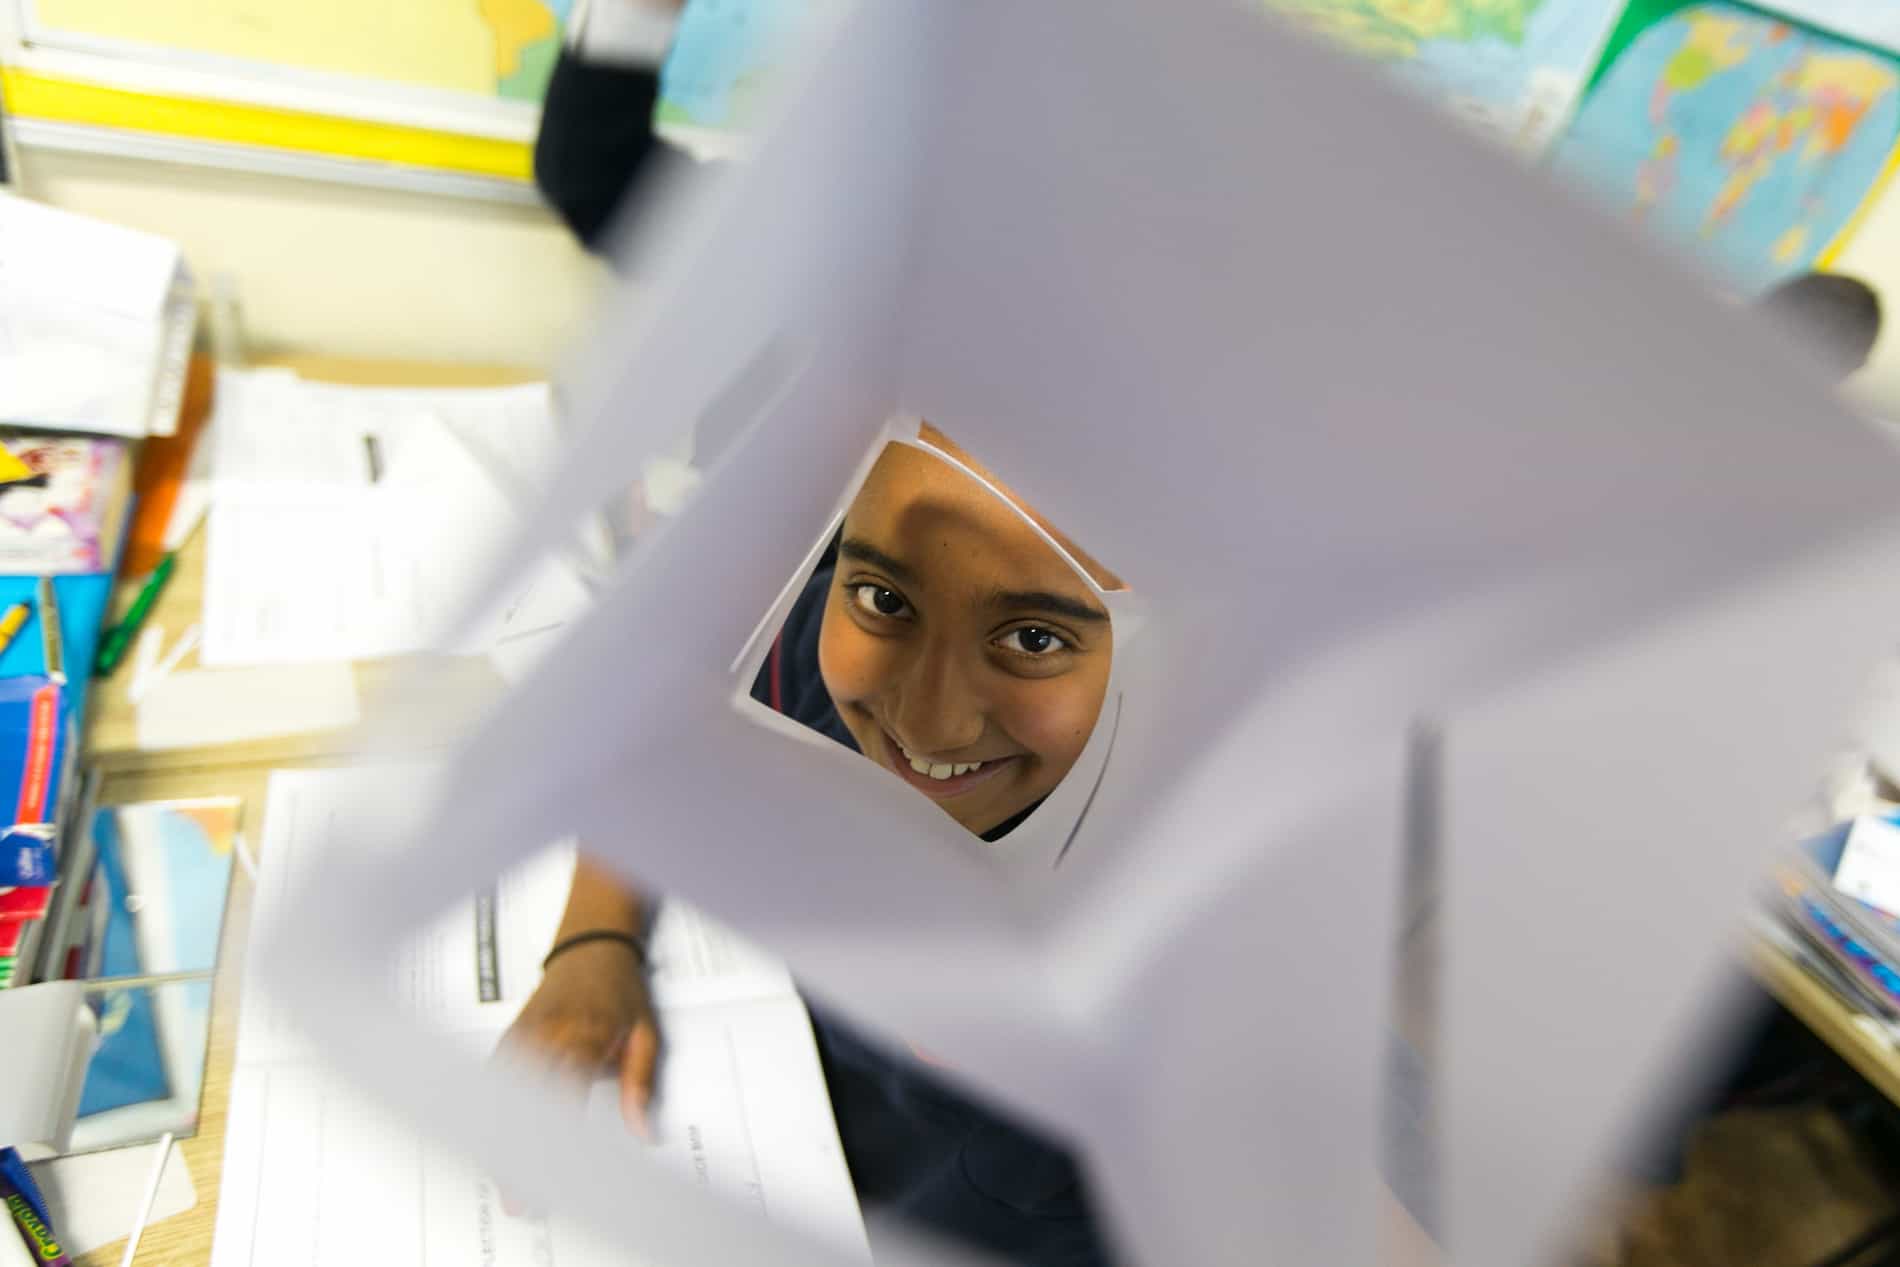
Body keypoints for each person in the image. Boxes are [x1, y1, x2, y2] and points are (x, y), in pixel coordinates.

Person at [501, 425, 1123, 1265]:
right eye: (887, 600)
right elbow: (664, 732)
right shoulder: (811, 662)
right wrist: (594, 938)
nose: (927, 720)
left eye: (1035, 639)